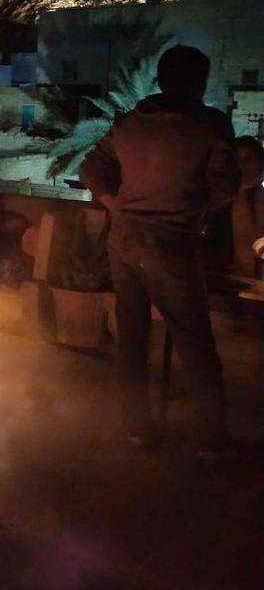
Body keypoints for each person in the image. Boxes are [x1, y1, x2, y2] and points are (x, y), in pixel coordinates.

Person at [79, 45, 240, 457]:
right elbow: (223, 188)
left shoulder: (131, 123)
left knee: (132, 337)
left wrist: (115, 203)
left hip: (123, 240)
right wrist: (199, 206)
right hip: (170, 244)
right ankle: (209, 438)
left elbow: (90, 168)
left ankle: (137, 427)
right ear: (195, 82)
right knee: (194, 341)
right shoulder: (210, 126)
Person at [228, 136, 264, 279]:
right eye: (237, 161)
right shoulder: (221, 202)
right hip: (230, 280)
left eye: (248, 159)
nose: (242, 166)